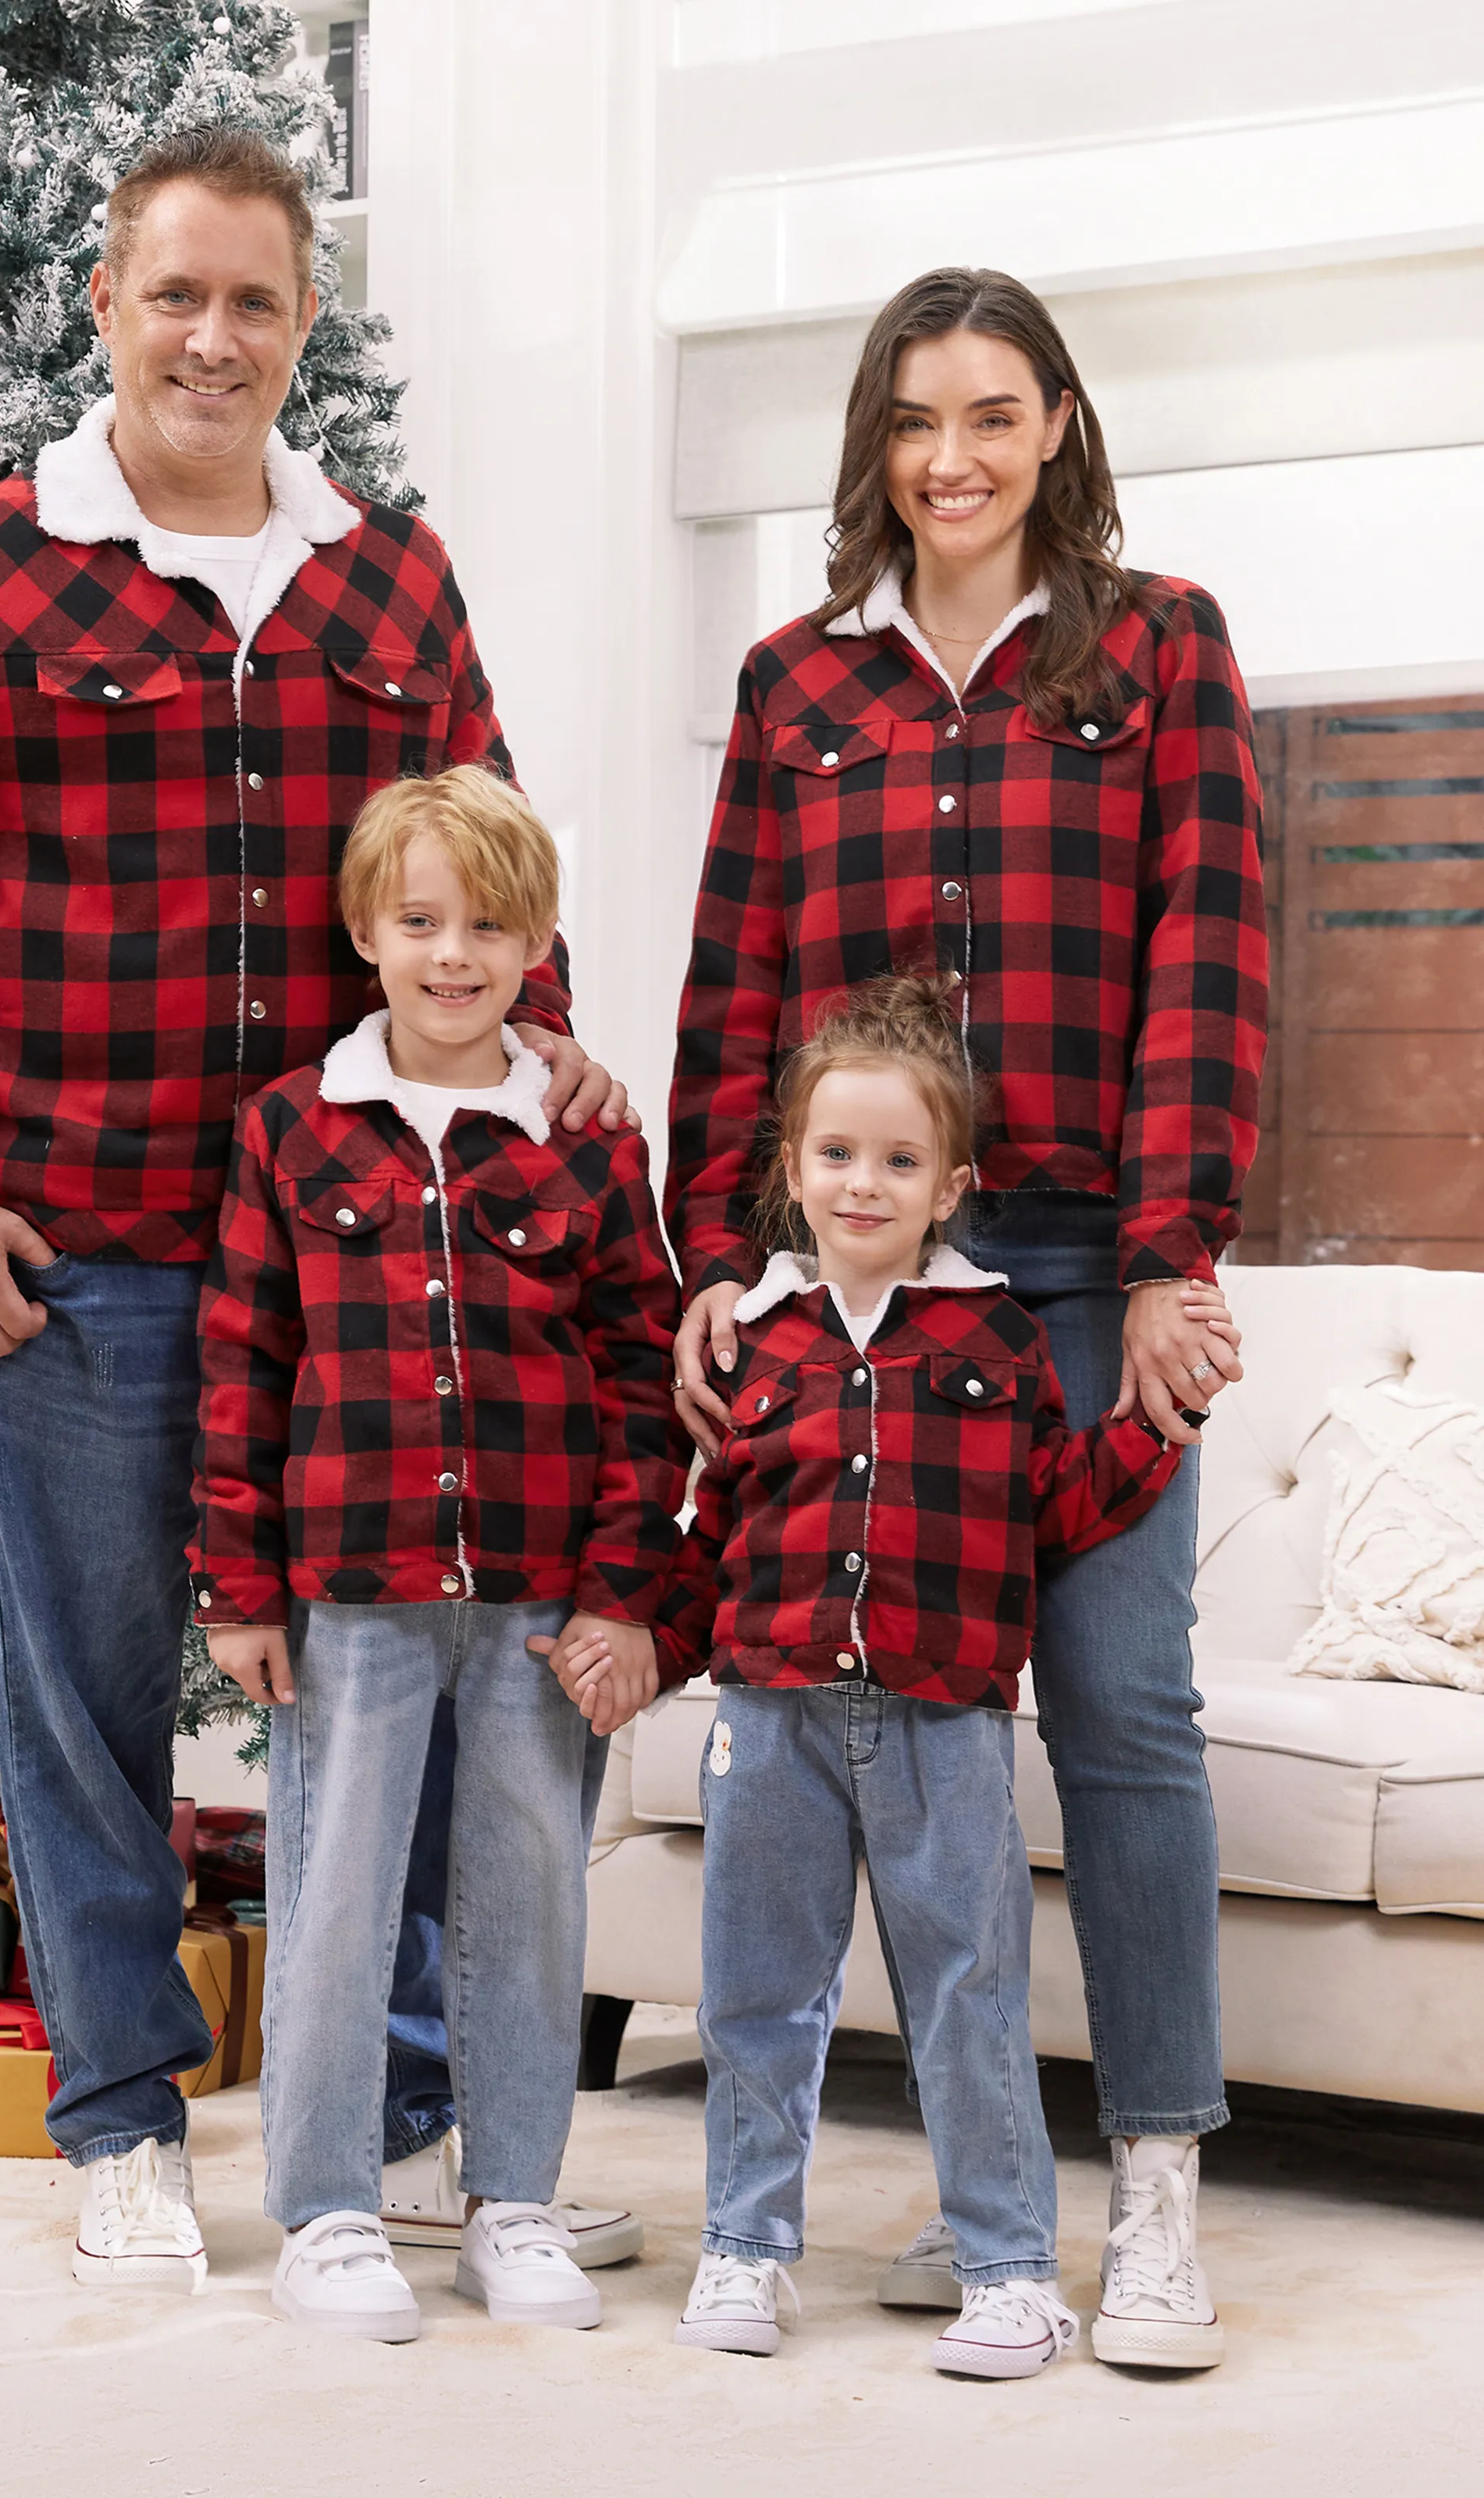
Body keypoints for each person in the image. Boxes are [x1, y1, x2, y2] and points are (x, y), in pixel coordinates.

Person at [0, 125, 635, 2288]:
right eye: (177, 293)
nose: (213, 336)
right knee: (85, 1700)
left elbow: (485, 856)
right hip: (78, 1256)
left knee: (421, 1681)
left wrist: (545, 1071)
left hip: (376, 1260)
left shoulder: (389, 580)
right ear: (104, 303)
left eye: (255, 300)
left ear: (300, 327)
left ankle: (430, 2098)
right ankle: (123, 2115)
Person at [666, 266, 1267, 2368]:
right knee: (893, 1741)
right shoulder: (793, 686)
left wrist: (1181, 1246)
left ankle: (1162, 2187)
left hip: (1091, 1261)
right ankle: (978, 2191)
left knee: (1122, 1718)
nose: (955, 459)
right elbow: (736, 985)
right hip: (851, 1288)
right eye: (918, 420)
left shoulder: (1162, 649)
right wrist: (719, 1259)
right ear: (875, 442)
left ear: (1060, 429)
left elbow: (1208, 948)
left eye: (996, 416)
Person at [660, 977, 1235, 2377]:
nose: (867, 1183)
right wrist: (636, 1641)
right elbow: (707, 1527)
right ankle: (746, 2247)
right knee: (753, 1992)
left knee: (972, 1994)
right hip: (771, 1713)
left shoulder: (997, 1338)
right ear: (791, 1172)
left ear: (952, 1184)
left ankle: (1009, 2270)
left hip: (944, 1724)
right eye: (838, 1155)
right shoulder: (756, 1345)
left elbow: (1057, 1503)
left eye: (902, 1160)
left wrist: (1166, 1422)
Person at [195, 767, 689, 2340]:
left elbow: (639, 1379)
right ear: (365, 930)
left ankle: (515, 2197)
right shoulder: (289, 1130)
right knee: (334, 1889)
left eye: (487, 922)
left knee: (529, 1890)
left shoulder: (594, 1145)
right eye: (419, 919)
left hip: (543, 1596)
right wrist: (237, 1587)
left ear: (537, 938)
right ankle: (329, 2205)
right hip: (350, 1586)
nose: (454, 951)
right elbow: (242, 1364)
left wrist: (626, 1587)